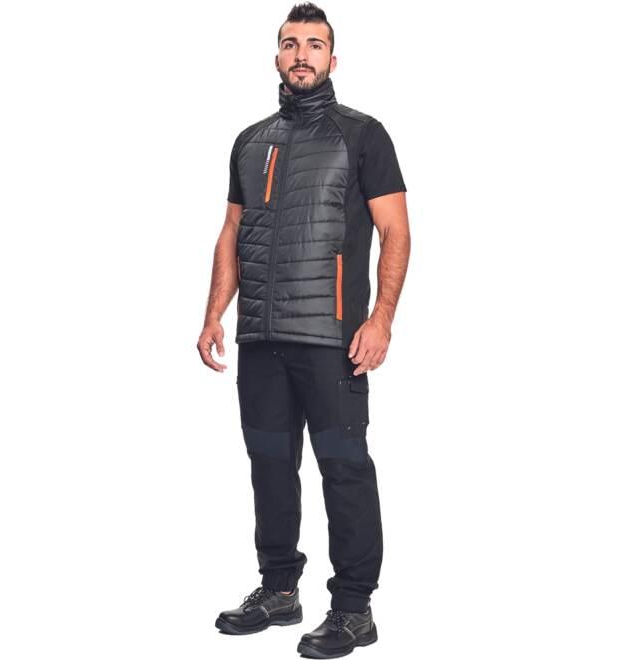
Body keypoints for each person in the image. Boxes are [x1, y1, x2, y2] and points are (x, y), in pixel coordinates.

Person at [197, 3, 410, 657]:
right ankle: (279, 590)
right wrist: (213, 314)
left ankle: (353, 609)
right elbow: (233, 231)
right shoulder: (249, 140)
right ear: (277, 57)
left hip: (332, 337)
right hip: (261, 337)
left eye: (314, 45)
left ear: (332, 59)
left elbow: (396, 231)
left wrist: (381, 319)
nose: (301, 54)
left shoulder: (363, 134)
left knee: (344, 469)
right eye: (291, 44)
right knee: (269, 465)